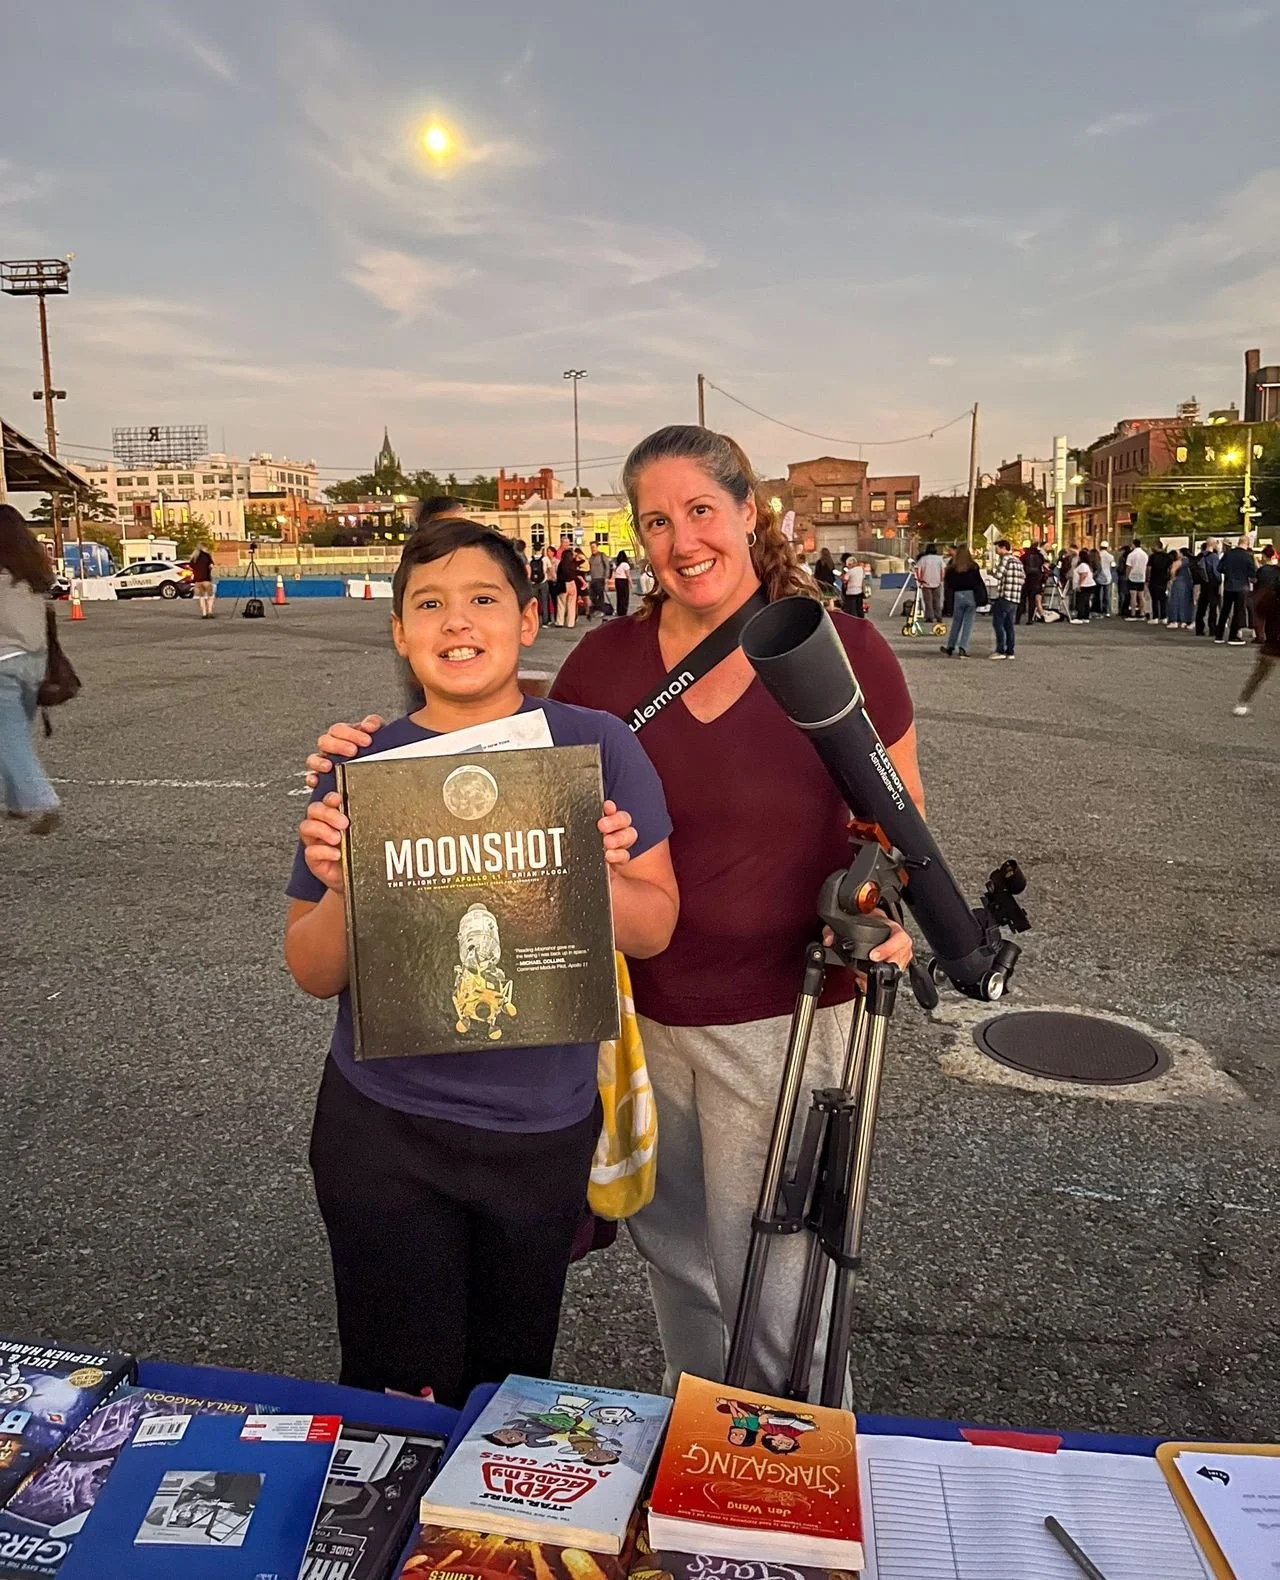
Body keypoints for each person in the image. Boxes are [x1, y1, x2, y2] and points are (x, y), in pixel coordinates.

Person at [306, 425, 919, 1396]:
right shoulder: (605, 664)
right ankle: (706, 1462)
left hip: (782, 1012)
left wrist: (878, 896)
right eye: (656, 521)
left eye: (701, 511)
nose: (682, 540)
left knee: (781, 1279)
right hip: (633, 1008)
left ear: (748, 512)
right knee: (678, 1263)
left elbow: (896, 818)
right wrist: (383, 743)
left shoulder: (834, 649)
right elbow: (512, 727)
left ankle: (794, 1480)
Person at [286, 519, 678, 1408]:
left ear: (528, 620)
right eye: (429, 603)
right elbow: (311, 968)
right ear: (399, 632)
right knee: (394, 1393)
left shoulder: (597, 747)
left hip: (537, 1129)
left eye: (483, 599)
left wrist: (596, 874)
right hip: (384, 1124)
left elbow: (654, 928)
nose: (456, 622)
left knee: (507, 1388)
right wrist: (342, 886)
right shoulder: (362, 764)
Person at [0, 504, 61, 835]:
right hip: (34, 662)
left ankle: (42, 800)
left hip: (4, 664)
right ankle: (19, 803)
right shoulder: (33, 575)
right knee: (13, 731)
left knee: (8, 737)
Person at [1234, 545, 1280, 716]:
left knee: (1260, 672)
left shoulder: (1270, 588)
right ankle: (1243, 700)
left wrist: (1260, 632)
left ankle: (1243, 701)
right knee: (1261, 671)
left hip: (1273, 637)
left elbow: (1260, 610)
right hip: (1274, 638)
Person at [940, 545, 988, 656]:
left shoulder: (952, 568)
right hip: (970, 595)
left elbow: (949, 585)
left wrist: (948, 602)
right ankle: (963, 647)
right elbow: (978, 583)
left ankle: (950, 646)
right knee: (968, 623)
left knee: (956, 622)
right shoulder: (973, 566)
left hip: (958, 595)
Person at [1215, 538, 1256, 645]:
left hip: (1228, 586)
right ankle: (1233, 636)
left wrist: (1228, 573)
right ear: (1248, 544)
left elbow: (1219, 568)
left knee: (1225, 611)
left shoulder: (1228, 554)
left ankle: (1219, 635)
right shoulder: (1248, 556)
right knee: (1238, 612)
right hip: (1242, 587)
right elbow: (1252, 574)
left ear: (1238, 543)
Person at [989, 539, 1024, 659]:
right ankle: (1010, 651)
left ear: (1003, 547)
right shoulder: (1018, 561)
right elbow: (1023, 578)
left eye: (997, 548)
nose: (996, 550)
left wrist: (991, 572)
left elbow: (998, 575)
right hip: (1015, 597)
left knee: (998, 623)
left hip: (1005, 596)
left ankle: (1000, 650)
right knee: (1009, 625)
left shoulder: (1005, 559)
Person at [1194, 538, 1221, 637]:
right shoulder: (1214, 557)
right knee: (1213, 607)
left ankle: (1199, 629)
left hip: (1203, 583)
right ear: (1213, 545)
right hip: (1212, 584)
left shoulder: (1200, 555)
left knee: (1201, 607)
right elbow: (1216, 571)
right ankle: (1212, 629)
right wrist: (1219, 582)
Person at [914, 542, 945, 625]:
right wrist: (941, 579)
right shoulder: (939, 559)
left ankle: (929, 617)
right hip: (937, 581)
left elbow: (917, 569)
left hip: (926, 581)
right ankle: (938, 616)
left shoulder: (923, 559)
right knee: (937, 600)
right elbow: (943, 570)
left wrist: (919, 579)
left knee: (928, 601)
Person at [1018, 541, 1046, 624]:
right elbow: (1042, 566)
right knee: (1032, 600)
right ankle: (1030, 619)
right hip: (1036, 580)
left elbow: (1021, 567)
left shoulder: (1024, 556)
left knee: (1022, 599)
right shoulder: (1040, 556)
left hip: (1026, 579)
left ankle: (1017, 618)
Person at [1166, 546, 1195, 629]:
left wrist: (1172, 579)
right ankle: (1185, 620)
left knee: (1176, 600)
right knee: (1186, 601)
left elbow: (1172, 571)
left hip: (1179, 581)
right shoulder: (1190, 561)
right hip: (1188, 582)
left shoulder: (1179, 561)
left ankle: (1175, 620)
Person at [554, 540, 580, 628]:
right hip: (572, 584)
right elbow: (581, 564)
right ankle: (570, 623)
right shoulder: (573, 564)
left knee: (561, 604)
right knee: (571, 604)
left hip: (563, 585)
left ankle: (559, 622)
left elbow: (558, 575)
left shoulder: (561, 564)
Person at [1147, 542, 1172, 624]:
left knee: (1154, 599)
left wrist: (1148, 579)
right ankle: (1164, 616)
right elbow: (1170, 569)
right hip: (1164, 580)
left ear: (1156, 547)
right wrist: (1169, 578)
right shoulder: (1168, 557)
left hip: (1154, 580)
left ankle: (1155, 617)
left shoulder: (1152, 557)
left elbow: (1149, 569)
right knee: (1163, 599)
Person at [190, 543, 215, 619]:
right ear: (204, 548)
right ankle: (209, 611)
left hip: (198, 581)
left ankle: (204, 613)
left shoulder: (194, 558)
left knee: (201, 597)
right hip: (206, 579)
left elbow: (191, 566)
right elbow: (211, 566)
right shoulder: (207, 556)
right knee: (210, 596)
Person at [1069, 547, 1095, 623]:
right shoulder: (1087, 565)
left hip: (1084, 585)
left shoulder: (1082, 565)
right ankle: (1085, 616)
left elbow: (1083, 575)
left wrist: (1079, 585)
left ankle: (1080, 616)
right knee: (1086, 601)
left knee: (1081, 601)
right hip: (1088, 584)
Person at [1125, 538, 1149, 619]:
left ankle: (1133, 613)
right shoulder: (1145, 555)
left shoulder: (1131, 555)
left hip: (1133, 576)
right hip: (1142, 576)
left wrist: (1127, 576)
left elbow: (1129, 567)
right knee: (1141, 596)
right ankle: (1142, 613)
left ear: (1133, 544)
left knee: (1133, 596)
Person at [528, 543, 551, 625]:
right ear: (541, 549)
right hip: (543, 582)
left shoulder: (530, 559)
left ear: (533, 549)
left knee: (534, 603)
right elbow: (550, 569)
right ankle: (545, 622)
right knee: (545, 602)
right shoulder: (545, 559)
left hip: (533, 583)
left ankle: (535, 621)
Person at [587, 545, 611, 619]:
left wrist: (606, 578)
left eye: (594, 547)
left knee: (600, 595)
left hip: (600, 578)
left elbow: (607, 566)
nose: (592, 549)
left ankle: (602, 611)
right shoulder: (591, 557)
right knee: (592, 596)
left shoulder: (601, 555)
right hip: (592, 579)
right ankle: (596, 609)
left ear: (597, 547)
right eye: (591, 547)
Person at [1095, 542, 1115, 617]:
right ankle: (1106, 610)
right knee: (1106, 594)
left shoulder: (1098, 555)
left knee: (1097, 594)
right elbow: (1113, 565)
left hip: (1098, 575)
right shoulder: (1110, 556)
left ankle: (1097, 609)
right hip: (1107, 576)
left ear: (1100, 547)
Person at [612, 550, 633, 618]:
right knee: (625, 596)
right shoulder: (625, 564)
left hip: (617, 580)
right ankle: (624, 611)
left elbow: (614, 573)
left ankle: (619, 610)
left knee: (619, 596)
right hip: (623, 580)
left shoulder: (617, 564)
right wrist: (630, 582)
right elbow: (628, 574)